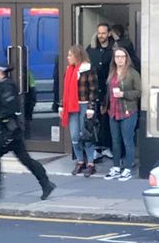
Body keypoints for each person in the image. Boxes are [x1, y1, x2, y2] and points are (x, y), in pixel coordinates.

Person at [0, 62, 55, 200]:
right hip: (8, 130)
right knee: (23, 158)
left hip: (9, 131)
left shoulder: (7, 87)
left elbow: (7, 111)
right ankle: (45, 183)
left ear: (0, 72)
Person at [102, 48, 141, 181]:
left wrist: (124, 94)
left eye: (122, 56)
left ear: (126, 58)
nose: (119, 59)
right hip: (113, 111)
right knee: (115, 141)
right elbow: (108, 92)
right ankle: (116, 167)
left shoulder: (132, 73)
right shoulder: (112, 72)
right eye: (117, 56)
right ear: (114, 58)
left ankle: (128, 168)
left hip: (128, 111)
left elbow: (138, 92)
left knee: (127, 141)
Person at [60, 45, 99, 177]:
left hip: (84, 105)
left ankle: (90, 163)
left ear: (77, 56)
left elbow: (93, 89)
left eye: (70, 55)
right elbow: (65, 91)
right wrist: (62, 105)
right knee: (75, 136)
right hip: (71, 106)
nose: (68, 57)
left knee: (86, 134)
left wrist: (91, 107)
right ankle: (80, 161)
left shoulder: (88, 69)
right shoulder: (69, 70)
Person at [86, 23, 114, 161]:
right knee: (93, 122)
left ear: (109, 33)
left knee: (107, 121)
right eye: (99, 33)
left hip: (108, 91)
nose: (101, 36)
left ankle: (107, 147)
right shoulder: (90, 49)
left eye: (103, 33)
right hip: (93, 90)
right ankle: (96, 149)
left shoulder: (114, 49)